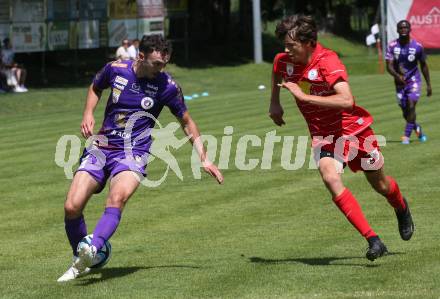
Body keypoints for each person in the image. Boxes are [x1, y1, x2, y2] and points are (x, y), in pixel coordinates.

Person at [57, 34, 224, 282]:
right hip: (102, 146)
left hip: (134, 151)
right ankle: (84, 257)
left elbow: (186, 122)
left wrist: (204, 158)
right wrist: (88, 113)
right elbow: (95, 86)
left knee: (117, 197)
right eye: (157, 63)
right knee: (71, 207)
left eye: (165, 63)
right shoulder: (116, 69)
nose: (161, 68)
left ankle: (93, 248)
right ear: (141, 56)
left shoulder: (167, 86)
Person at [270, 15, 414, 261]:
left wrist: (304, 98)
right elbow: (277, 73)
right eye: (284, 45)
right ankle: (373, 240)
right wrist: (275, 103)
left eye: (291, 45)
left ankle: (401, 206)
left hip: (355, 132)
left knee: (380, 185)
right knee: (330, 177)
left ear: (308, 43)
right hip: (324, 136)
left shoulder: (328, 61)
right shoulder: (284, 61)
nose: (286, 50)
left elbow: (347, 100)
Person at [385, 20, 432, 144]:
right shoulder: (392, 46)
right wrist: (397, 75)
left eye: (406, 27)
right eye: (401, 28)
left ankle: (406, 136)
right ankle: (417, 128)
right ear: (397, 30)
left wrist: (428, 84)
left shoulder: (417, 46)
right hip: (399, 83)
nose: (403, 29)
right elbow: (388, 66)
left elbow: (424, 66)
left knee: (411, 105)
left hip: (414, 81)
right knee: (406, 112)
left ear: (410, 29)